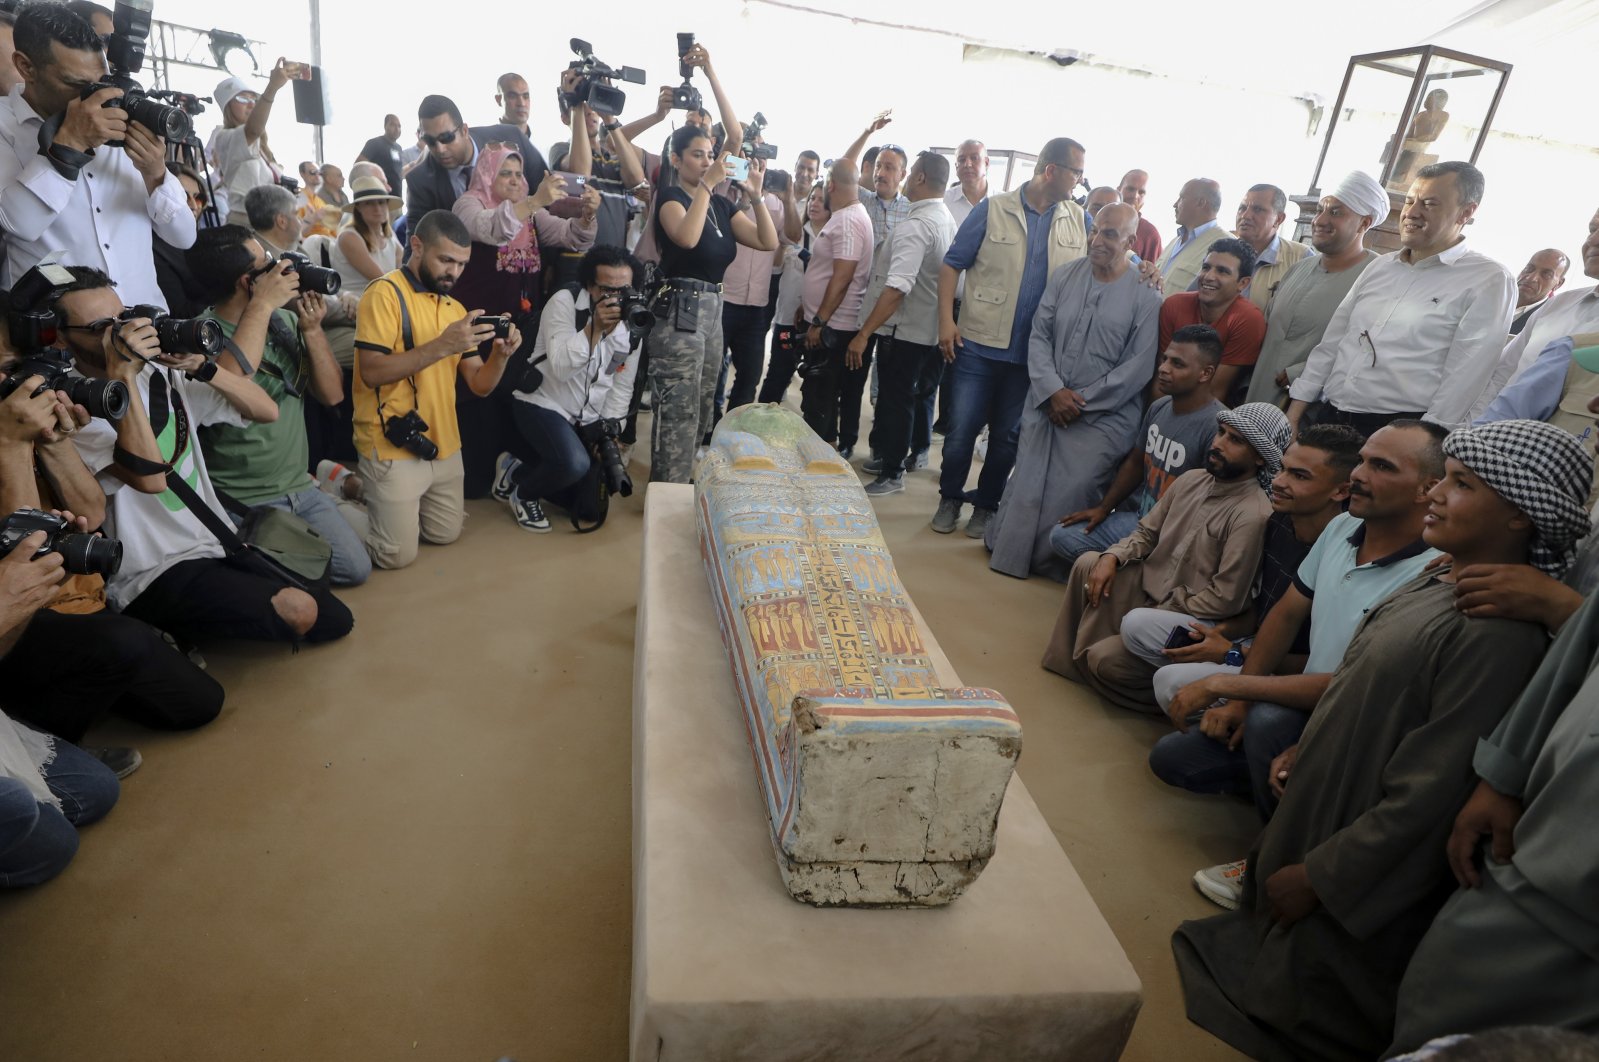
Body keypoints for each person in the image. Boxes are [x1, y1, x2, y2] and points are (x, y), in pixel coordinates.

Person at [1172, 419, 1591, 1062]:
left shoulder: (1495, 633)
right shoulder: (1444, 576)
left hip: (1356, 849)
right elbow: (1359, 686)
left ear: (1519, 516)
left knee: (1305, 993)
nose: (1436, 496)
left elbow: (1428, 797)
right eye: (1442, 479)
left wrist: (1320, 876)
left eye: (1461, 485)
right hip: (1330, 789)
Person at [57, 266, 352, 645]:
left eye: (122, 319)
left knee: (333, 618)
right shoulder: (75, 409)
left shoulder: (156, 376)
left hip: (215, 540)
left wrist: (204, 366)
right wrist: (122, 376)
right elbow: (150, 478)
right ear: (61, 340)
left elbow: (265, 409)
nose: (119, 334)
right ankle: (163, 631)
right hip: (151, 571)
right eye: (101, 326)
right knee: (299, 611)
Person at [1390, 594, 1599, 1052]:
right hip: (1535, 856)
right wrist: (1502, 775)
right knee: (1438, 1015)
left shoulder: (1501, 640)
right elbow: (1577, 651)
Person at [1144, 425, 1365, 824]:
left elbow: (1326, 668)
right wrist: (1223, 637)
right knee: (1139, 626)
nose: (1278, 482)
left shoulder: (1342, 541)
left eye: (1298, 476)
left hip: (1289, 678)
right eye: (1282, 469)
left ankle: (1257, 763)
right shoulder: (1282, 523)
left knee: (1174, 684)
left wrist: (1231, 661)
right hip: (1252, 652)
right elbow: (1270, 611)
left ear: (1341, 490)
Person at [0, 348, 222, 743]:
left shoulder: (24, 420)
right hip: (16, 621)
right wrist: (11, 442)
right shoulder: (10, 431)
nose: (16, 386)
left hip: (79, 602)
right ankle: (42, 751)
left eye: (14, 370)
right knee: (124, 644)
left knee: (199, 702)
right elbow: (26, 550)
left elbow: (92, 512)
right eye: (5, 372)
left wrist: (53, 440)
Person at [1040, 404, 1287, 711]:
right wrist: (1112, 557)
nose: (1219, 444)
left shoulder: (1252, 513)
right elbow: (1146, 534)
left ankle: (1168, 697)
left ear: (1259, 457)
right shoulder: (1191, 480)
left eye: (1235, 440)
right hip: (1151, 591)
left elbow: (1225, 599)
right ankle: (1068, 664)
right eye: (1221, 433)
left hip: (1190, 616)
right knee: (1090, 562)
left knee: (1104, 661)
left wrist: (1163, 607)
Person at [185, 225, 371, 587]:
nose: (280, 268)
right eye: (267, 264)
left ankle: (325, 482)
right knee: (284, 581)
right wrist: (263, 304)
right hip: (244, 498)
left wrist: (313, 331)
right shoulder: (199, 336)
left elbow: (332, 396)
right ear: (247, 282)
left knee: (356, 568)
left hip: (297, 484)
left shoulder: (283, 321)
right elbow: (233, 380)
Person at [985, 203, 1162, 579]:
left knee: (1075, 486)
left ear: (1131, 241)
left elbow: (1138, 366)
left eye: (1110, 234)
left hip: (1103, 417)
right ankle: (1006, 547)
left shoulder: (1147, 296)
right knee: (1028, 478)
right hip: (1047, 402)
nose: (1097, 240)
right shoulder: (1065, 276)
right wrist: (1052, 392)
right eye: (1095, 230)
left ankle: (1050, 561)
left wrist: (1079, 401)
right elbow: (1039, 335)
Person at [347, 210, 522, 570]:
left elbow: (479, 384)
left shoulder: (454, 308)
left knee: (445, 533)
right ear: (416, 245)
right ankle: (337, 493)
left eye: (461, 264)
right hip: (391, 442)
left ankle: (372, 495)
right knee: (395, 556)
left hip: (443, 443)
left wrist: (501, 357)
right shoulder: (384, 293)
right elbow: (372, 373)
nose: (453, 272)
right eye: (445, 260)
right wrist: (443, 346)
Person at [1288, 161, 1517, 434]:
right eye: (1410, 201)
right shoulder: (1381, 266)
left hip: (1398, 428)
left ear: (1465, 212)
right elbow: (1334, 341)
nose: (1412, 213)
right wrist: (1295, 411)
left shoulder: (1488, 279)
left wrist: (1423, 444)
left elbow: (1465, 378)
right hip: (1330, 413)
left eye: (1429, 204)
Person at [934, 138, 1089, 538]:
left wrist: (1145, 270)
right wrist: (945, 324)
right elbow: (952, 265)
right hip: (979, 346)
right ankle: (949, 497)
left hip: (1033, 357)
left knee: (1007, 438)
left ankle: (986, 504)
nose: (1080, 180)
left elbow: (1105, 260)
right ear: (1052, 170)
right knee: (961, 430)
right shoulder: (994, 208)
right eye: (1076, 172)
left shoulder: (1078, 219)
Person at [0, 4, 196, 310]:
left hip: (146, 330)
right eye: (78, 85)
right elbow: (21, 224)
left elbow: (184, 237)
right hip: (64, 341)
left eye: (101, 82)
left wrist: (155, 173)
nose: (95, 96)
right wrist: (72, 142)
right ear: (26, 66)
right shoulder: (3, 126)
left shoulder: (120, 116)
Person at [451, 143, 597, 498]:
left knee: (513, 402)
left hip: (520, 332)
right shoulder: (469, 204)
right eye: (506, 173)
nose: (516, 181)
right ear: (487, 175)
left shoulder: (530, 215)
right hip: (477, 329)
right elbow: (492, 229)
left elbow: (571, 236)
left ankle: (512, 463)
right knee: (478, 408)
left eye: (519, 174)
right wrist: (534, 201)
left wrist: (588, 216)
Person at [649, 124, 777, 484]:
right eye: (697, 154)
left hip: (713, 311)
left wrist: (755, 195)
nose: (707, 161)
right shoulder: (671, 198)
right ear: (676, 159)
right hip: (679, 309)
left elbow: (767, 241)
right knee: (678, 407)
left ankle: (682, 480)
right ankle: (666, 489)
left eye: (710, 154)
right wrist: (707, 185)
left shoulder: (721, 204)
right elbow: (687, 239)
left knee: (705, 407)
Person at [1051, 325, 1226, 565]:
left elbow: (1214, 504)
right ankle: (1128, 571)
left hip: (1175, 537)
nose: (1163, 368)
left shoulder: (1218, 427)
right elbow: (1135, 462)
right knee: (1063, 536)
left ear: (1205, 373)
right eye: (1165, 359)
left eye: (1178, 364)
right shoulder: (1159, 407)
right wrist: (1104, 508)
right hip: (1140, 522)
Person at [497, 245, 642, 532]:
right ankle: (523, 492)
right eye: (606, 290)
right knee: (574, 464)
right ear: (590, 286)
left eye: (623, 289)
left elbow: (622, 384)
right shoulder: (564, 302)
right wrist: (594, 329)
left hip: (587, 417)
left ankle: (518, 468)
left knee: (589, 507)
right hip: (543, 401)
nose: (616, 298)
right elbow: (562, 367)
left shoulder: (634, 322)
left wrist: (610, 431)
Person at [847, 152, 956, 495]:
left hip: (905, 333)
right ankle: (894, 458)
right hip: (928, 332)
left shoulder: (916, 227)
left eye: (910, 175)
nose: (905, 180)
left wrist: (864, 333)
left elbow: (897, 288)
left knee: (895, 402)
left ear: (920, 178)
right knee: (909, 400)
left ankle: (892, 473)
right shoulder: (945, 219)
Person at [1243, 171, 1385, 406]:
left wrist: (1301, 371)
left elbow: (1366, 350)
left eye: (1336, 212)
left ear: (1365, 222)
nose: (1320, 220)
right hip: (1253, 398)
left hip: (1308, 412)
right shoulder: (1299, 268)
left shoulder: (1377, 276)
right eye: (1320, 210)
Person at [1473, 207, 1599, 419]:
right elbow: (1501, 374)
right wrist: (1470, 431)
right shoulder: (1557, 306)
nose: (1593, 240)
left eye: (1547, 274)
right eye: (1592, 229)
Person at [403, 94, 555, 258]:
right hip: (468, 276)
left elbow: (548, 200)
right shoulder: (420, 181)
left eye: (446, 138)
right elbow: (416, 245)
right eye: (430, 141)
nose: (440, 149)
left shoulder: (510, 138)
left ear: (464, 131)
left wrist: (553, 263)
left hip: (529, 266)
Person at [796, 158, 873, 451]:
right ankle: (821, 461)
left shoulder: (849, 219)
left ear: (830, 185)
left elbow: (843, 276)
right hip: (829, 322)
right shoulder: (847, 216)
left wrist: (819, 321)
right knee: (819, 401)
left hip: (833, 327)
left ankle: (819, 468)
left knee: (819, 403)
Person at [1157, 238, 1266, 403]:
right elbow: (1160, 378)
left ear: (1243, 283)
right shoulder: (1174, 305)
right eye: (1206, 267)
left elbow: (1214, 392)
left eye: (1222, 271)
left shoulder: (1248, 320)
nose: (1208, 276)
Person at [757, 178, 829, 406]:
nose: (814, 203)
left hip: (818, 324)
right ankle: (760, 428)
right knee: (778, 374)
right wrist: (781, 247)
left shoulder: (834, 238)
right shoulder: (794, 234)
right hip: (787, 320)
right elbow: (776, 269)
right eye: (812, 199)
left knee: (816, 384)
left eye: (821, 200)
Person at [212, 62, 300, 227]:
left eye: (254, 98)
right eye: (242, 98)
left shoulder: (263, 148)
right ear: (228, 107)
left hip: (269, 223)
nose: (251, 104)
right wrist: (272, 88)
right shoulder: (224, 137)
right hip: (247, 224)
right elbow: (252, 130)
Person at [1233, 184, 1309, 313]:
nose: (1245, 216)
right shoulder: (1220, 251)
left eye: (1257, 209)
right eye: (1242, 208)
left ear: (1278, 219)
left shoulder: (1301, 258)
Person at [153, 162, 211, 317]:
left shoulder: (204, 240)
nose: (193, 205)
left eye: (199, 198)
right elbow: (180, 312)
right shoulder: (154, 249)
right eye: (183, 197)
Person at [1157, 178, 1233, 294]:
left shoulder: (1226, 245)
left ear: (1200, 202)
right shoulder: (1175, 241)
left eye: (1182, 198)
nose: (1175, 204)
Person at [1509, 248, 1570, 335]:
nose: (1531, 278)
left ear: (1558, 284)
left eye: (1546, 274)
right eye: (1529, 268)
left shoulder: (1549, 323)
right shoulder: (1494, 296)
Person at [356, 113, 406, 198]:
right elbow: (359, 166)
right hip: (378, 198)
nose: (397, 129)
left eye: (399, 126)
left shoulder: (399, 148)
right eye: (392, 125)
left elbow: (398, 173)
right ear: (385, 126)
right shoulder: (375, 143)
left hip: (396, 198)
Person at [245, 184, 302, 258]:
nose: (300, 219)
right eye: (296, 214)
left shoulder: (249, 249)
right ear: (282, 221)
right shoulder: (263, 263)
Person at [1118, 168, 1163, 263]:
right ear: (1118, 190)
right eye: (1130, 189)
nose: (1135, 196)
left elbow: (1150, 275)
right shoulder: (1098, 219)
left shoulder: (1150, 234)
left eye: (1141, 192)